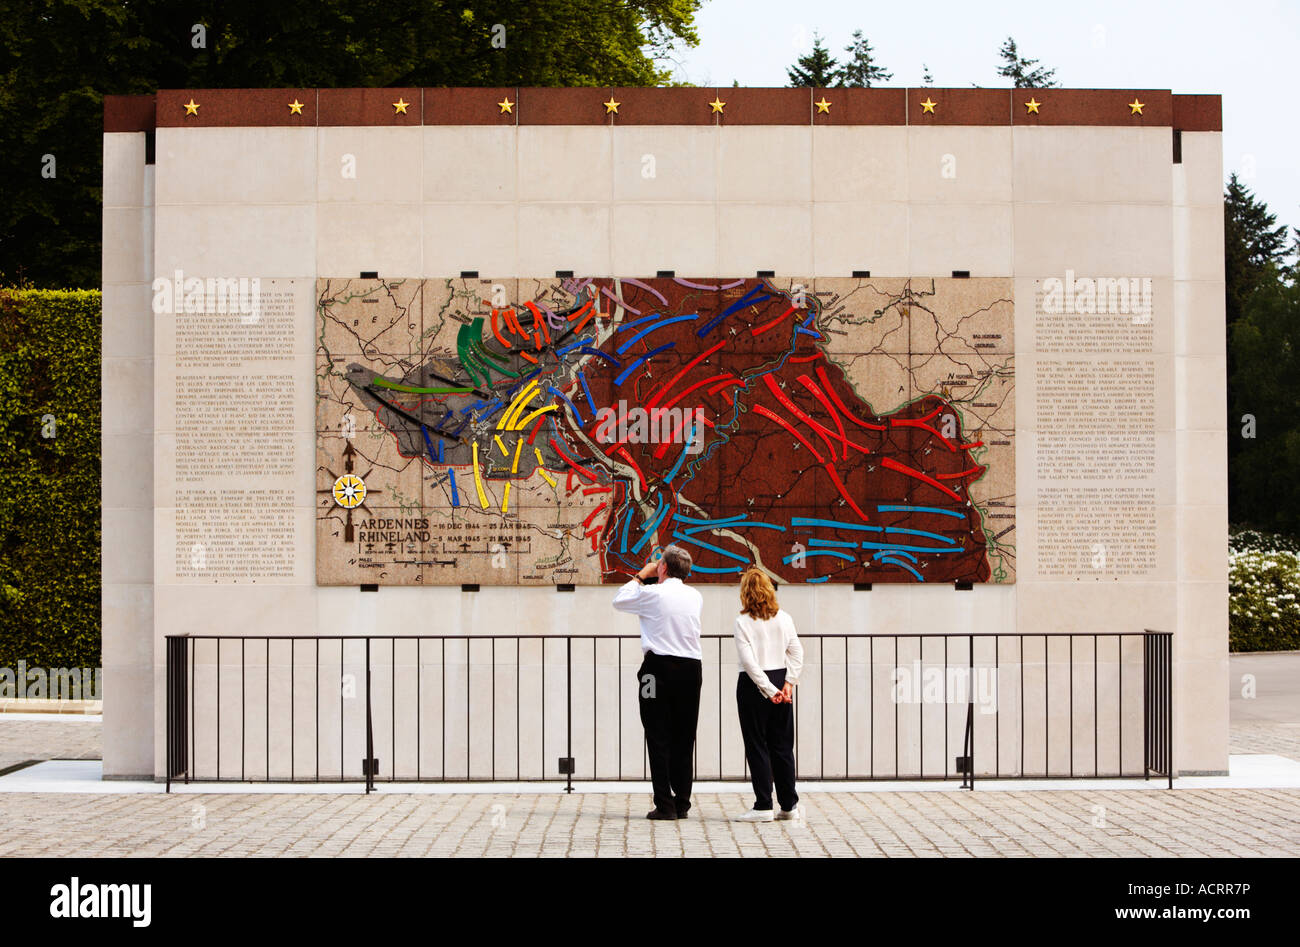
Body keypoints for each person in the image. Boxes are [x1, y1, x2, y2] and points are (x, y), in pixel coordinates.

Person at [612, 544, 703, 820]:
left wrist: (642, 574)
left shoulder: (651, 593)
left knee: (657, 733)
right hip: (691, 670)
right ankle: (682, 802)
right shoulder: (695, 596)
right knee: (684, 736)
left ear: (663, 567)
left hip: (657, 670)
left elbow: (620, 599)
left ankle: (664, 803)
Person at [732, 567, 803, 822]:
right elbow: (797, 652)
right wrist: (788, 684)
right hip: (781, 682)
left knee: (757, 745)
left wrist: (769, 690)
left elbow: (749, 664)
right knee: (782, 746)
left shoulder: (742, 622)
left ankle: (763, 805)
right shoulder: (784, 618)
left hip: (754, 687)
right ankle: (789, 805)